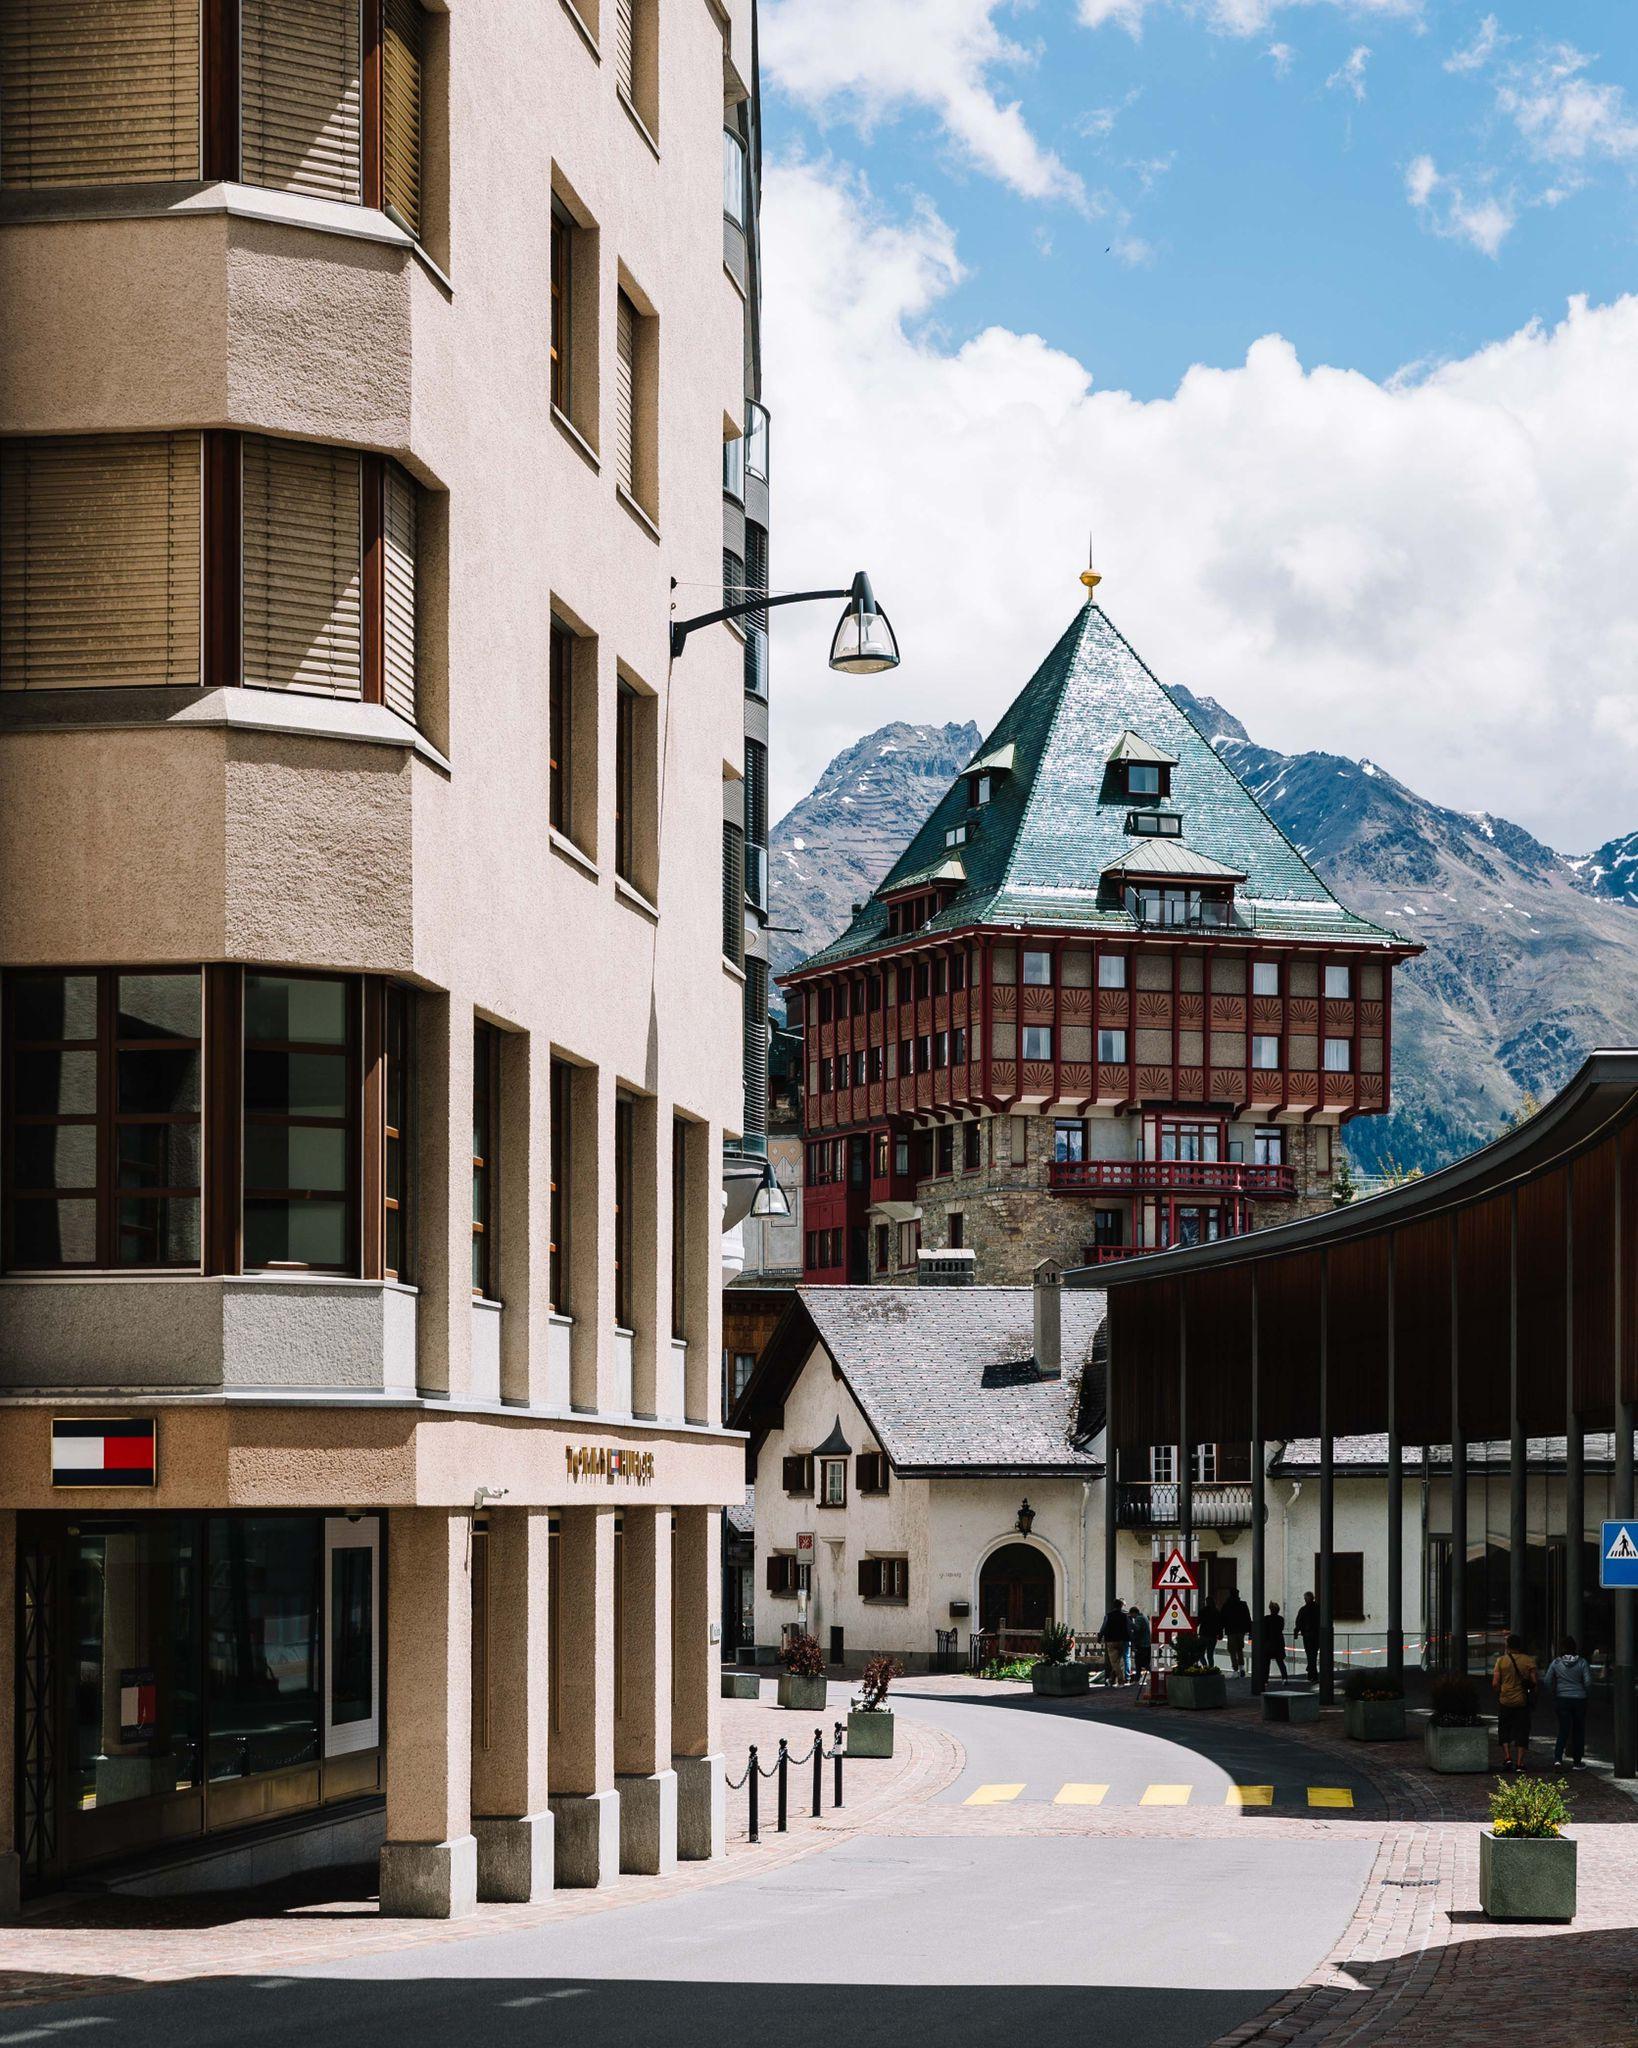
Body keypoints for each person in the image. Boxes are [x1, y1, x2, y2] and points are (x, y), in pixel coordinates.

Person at [1491, 1632, 1539, 1771]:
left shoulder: (1501, 1661)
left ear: (1507, 1646)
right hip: (1522, 1702)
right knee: (1522, 1731)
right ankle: (1520, 1763)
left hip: (1505, 1700)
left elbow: (1495, 1683)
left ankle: (1507, 1757)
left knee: (1504, 1730)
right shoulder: (1528, 1661)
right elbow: (1535, 1683)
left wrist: (1501, 1692)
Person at [1544, 1635, 1591, 1771]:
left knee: (1563, 1730)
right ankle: (1577, 1761)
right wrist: (1586, 1693)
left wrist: (1554, 1693)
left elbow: (1547, 1680)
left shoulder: (1556, 1663)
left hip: (1562, 1698)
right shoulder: (1582, 1662)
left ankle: (1558, 1760)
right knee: (1578, 1730)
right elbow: (1588, 1682)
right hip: (1579, 1699)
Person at [1221, 1590, 1253, 1677]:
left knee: (1232, 1650)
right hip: (1241, 1630)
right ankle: (1241, 1667)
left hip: (1231, 1630)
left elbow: (1222, 1618)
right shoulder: (1243, 1604)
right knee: (1239, 1649)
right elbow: (1248, 1618)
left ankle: (1235, 1669)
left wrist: (1220, 1630)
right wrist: (1250, 1632)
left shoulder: (1227, 1605)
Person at [1097, 1599, 1129, 1686]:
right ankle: (1111, 1680)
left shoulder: (1108, 1616)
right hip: (1121, 1640)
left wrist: (1099, 1637)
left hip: (1111, 1640)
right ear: (1121, 1606)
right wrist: (1129, 1640)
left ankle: (1121, 1681)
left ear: (1113, 1606)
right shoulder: (1124, 1616)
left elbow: (1103, 1627)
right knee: (1118, 1661)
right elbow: (1127, 1628)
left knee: (1115, 1662)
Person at [1294, 1592, 1322, 1685]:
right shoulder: (1318, 1608)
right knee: (1313, 1654)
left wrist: (1296, 1632)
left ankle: (1311, 1672)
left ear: (1306, 1599)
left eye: (1305, 1598)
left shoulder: (1303, 1610)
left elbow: (1298, 1622)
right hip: (1316, 1635)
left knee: (1309, 1654)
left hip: (1307, 1635)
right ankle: (1311, 1672)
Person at [1259, 1601, 1289, 1686]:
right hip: (1278, 1643)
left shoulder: (1266, 1619)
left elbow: (1264, 1631)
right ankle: (1284, 1678)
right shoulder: (1280, 1619)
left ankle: (1265, 1680)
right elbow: (1281, 1629)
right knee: (1280, 1662)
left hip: (1268, 1643)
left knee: (1266, 1663)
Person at [1197, 1591, 1223, 1668]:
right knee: (1210, 1654)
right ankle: (1210, 1669)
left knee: (1200, 1653)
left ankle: (1205, 1666)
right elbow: (1220, 1624)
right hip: (1213, 1636)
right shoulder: (1217, 1612)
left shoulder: (1203, 1611)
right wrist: (1220, 1634)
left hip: (1204, 1634)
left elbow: (1198, 1621)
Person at [1128, 1601, 1152, 1683]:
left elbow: (1137, 1629)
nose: (1131, 1617)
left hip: (1142, 1644)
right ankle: (1152, 1676)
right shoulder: (1144, 1617)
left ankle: (1137, 1680)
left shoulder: (1138, 1618)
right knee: (1145, 1663)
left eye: (1131, 1615)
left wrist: (1130, 1623)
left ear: (1134, 1613)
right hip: (1147, 1644)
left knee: (1138, 1663)